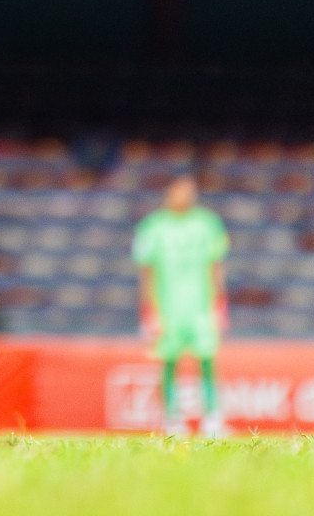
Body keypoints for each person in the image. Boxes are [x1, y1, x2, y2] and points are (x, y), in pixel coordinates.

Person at [133, 173, 229, 438]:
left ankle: (213, 418)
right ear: (170, 192)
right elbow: (146, 272)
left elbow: (216, 266)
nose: (185, 196)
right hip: (168, 308)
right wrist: (148, 310)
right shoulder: (152, 227)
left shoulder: (208, 224)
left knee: (207, 360)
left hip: (201, 306)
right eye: (180, 191)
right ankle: (171, 419)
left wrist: (220, 303)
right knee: (168, 362)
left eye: (190, 191)